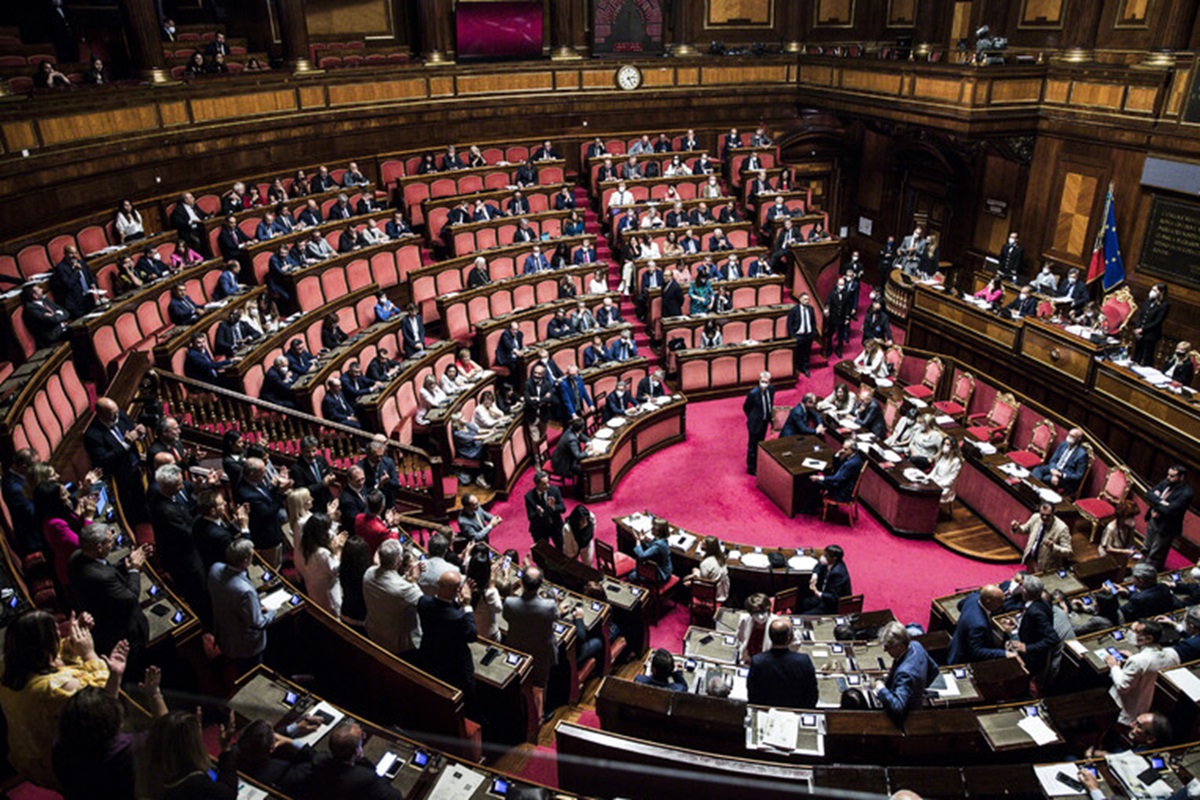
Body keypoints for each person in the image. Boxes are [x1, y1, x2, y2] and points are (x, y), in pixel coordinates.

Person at [0, 611, 125, 790]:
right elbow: (101, 700)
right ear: (43, 645)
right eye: (55, 633)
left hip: (23, 755)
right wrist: (89, 654)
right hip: (58, 766)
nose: (60, 633)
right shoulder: (55, 688)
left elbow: (53, 655)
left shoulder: (7, 665)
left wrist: (73, 642)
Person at [68, 523, 150, 661]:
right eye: (110, 542)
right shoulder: (101, 577)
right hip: (121, 632)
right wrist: (134, 569)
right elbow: (131, 598)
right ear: (99, 547)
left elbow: (106, 567)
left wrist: (126, 563)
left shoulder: (77, 557)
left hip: (102, 618)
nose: (112, 545)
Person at [136, 709, 238, 799]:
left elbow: (169, 731)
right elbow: (228, 794)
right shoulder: (194, 783)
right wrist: (226, 749)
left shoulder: (148, 766)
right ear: (190, 745)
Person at [503, 567, 560, 721]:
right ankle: (538, 717)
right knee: (540, 684)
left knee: (521, 681)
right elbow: (556, 617)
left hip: (517, 648)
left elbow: (506, 617)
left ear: (521, 583)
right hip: (542, 651)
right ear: (540, 584)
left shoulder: (509, 602)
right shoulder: (549, 606)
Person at [208, 538, 273, 672]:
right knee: (251, 672)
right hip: (245, 646)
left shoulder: (215, 568)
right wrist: (272, 612)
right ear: (246, 560)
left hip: (225, 633)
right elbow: (257, 623)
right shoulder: (245, 591)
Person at [417, 570, 477, 700]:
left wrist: (457, 603)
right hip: (455, 663)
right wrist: (467, 606)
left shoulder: (423, 602)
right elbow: (472, 635)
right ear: (457, 590)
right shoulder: (458, 617)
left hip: (430, 653)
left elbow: (444, 609)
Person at [363, 539, 423, 660]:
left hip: (374, 632)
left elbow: (393, 586)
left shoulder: (368, 573)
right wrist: (413, 580)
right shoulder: (405, 590)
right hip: (396, 644)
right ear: (400, 561)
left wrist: (407, 578)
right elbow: (423, 603)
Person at [997, 574, 1059, 688]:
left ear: (1026, 591)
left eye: (1023, 587)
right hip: (1029, 645)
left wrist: (1027, 648)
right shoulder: (1041, 603)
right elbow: (1035, 627)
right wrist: (1017, 625)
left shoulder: (1036, 612)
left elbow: (1053, 638)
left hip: (1031, 657)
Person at [873, 621, 939, 722]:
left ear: (899, 646)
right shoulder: (916, 645)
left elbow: (898, 707)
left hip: (906, 719)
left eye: (888, 647)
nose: (886, 651)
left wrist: (881, 689)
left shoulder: (905, 673)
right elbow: (934, 670)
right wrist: (918, 688)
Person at [748, 618, 818, 709]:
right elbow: (812, 694)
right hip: (796, 712)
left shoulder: (757, 661)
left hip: (766, 713)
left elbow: (753, 694)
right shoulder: (803, 661)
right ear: (789, 638)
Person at [1142, 465, 1194, 569]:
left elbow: (1169, 510)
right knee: (1146, 547)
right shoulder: (1166, 482)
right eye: (1168, 475)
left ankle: (1148, 575)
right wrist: (1161, 502)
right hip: (1153, 520)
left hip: (1166, 526)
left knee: (1156, 553)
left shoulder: (1186, 493)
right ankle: (1140, 569)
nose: (1168, 478)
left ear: (1181, 477)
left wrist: (1156, 500)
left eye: (1172, 476)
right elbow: (1148, 494)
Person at [295, 513, 345, 617]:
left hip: (313, 590)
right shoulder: (322, 553)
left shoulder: (306, 545)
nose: (330, 532)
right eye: (327, 529)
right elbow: (335, 570)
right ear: (321, 533)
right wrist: (339, 550)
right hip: (328, 596)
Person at [946, 585, 1008, 665]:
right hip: (963, 660)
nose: (1003, 603)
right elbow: (977, 652)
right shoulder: (979, 625)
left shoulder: (973, 598)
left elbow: (960, 605)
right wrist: (1004, 653)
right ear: (988, 601)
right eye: (1000, 601)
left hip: (956, 645)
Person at [1012, 502, 1073, 572]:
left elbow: (1068, 552)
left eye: (1048, 515)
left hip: (1046, 565)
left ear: (1053, 513)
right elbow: (1024, 529)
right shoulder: (1035, 517)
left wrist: (1053, 546)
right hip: (1031, 559)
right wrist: (1017, 528)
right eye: (1042, 515)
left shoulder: (1062, 528)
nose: (1044, 518)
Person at [1029, 427, 1089, 495]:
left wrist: (1061, 475)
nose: (1069, 437)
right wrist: (1053, 470)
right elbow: (1053, 460)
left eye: (1072, 436)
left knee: (1046, 478)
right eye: (1069, 434)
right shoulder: (1063, 444)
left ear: (1078, 439)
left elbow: (1078, 475)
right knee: (1037, 470)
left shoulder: (1082, 454)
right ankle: (1031, 490)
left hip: (1065, 477)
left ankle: (1036, 495)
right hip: (1055, 468)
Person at [21, 284, 71, 349]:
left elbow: (66, 312)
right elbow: (54, 320)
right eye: (39, 289)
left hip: (62, 330)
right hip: (53, 338)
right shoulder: (31, 309)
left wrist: (56, 315)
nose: (42, 290)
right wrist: (60, 319)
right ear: (35, 296)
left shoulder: (44, 300)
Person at [743, 371, 775, 475]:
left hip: (765, 421)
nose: (764, 384)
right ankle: (751, 467)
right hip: (755, 423)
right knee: (752, 445)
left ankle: (758, 463)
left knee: (760, 443)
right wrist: (753, 417)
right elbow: (746, 407)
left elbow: (770, 403)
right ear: (759, 381)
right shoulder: (753, 393)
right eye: (762, 381)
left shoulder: (771, 390)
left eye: (766, 382)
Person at [525, 471, 566, 549]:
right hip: (540, 529)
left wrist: (553, 507)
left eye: (548, 482)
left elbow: (563, 508)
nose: (547, 486)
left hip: (555, 526)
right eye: (544, 484)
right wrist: (538, 513)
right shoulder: (529, 497)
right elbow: (530, 516)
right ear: (537, 485)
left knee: (561, 550)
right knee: (543, 552)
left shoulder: (554, 490)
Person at [733, 593, 777, 664]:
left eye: (762, 611)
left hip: (767, 662)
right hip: (748, 659)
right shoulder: (744, 619)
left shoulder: (776, 622)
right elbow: (740, 638)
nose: (760, 616)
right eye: (756, 612)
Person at [685, 535, 729, 604]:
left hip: (713, 593)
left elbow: (704, 581)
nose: (700, 544)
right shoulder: (721, 557)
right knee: (694, 570)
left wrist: (692, 580)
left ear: (707, 547)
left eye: (702, 543)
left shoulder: (706, 563)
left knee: (686, 583)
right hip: (722, 589)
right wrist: (694, 574)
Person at [1133, 283, 1169, 365]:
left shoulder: (1164, 305)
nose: (1152, 292)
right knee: (1137, 354)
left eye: (1155, 290)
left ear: (1161, 292)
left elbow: (1157, 321)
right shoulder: (1148, 301)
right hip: (1139, 333)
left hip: (1150, 335)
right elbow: (1140, 314)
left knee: (1147, 356)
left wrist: (1143, 329)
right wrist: (1137, 327)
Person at [632, 517, 673, 583]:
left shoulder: (659, 545)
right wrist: (643, 540)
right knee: (635, 570)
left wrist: (638, 541)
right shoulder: (661, 539)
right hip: (660, 569)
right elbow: (651, 548)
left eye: (654, 528)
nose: (651, 529)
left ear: (659, 532)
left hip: (661, 574)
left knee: (632, 576)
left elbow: (642, 556)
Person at [824, 276, 853, 358]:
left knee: (840, 335)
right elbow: (828, 302)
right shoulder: (832, 293)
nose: (841, 286)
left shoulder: (846, 294)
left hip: (842, 317)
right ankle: (829, 349)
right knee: (830, 334)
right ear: (837, 284)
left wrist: (847, 317)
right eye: (840, 284)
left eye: (843, 284)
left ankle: (839, 350)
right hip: (833, 317)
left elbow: (848, 306)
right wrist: (827, 309)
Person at [929, 436, 963, 502]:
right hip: (936, 481)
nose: (945, 446)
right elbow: (935, 471)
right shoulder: (942, 456)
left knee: (929, 493)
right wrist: (928, 478)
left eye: (947, 444)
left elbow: (951, 480)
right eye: (944, 444)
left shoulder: (956, 461)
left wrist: (938, 484)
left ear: (952, 447)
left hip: (945, 487)